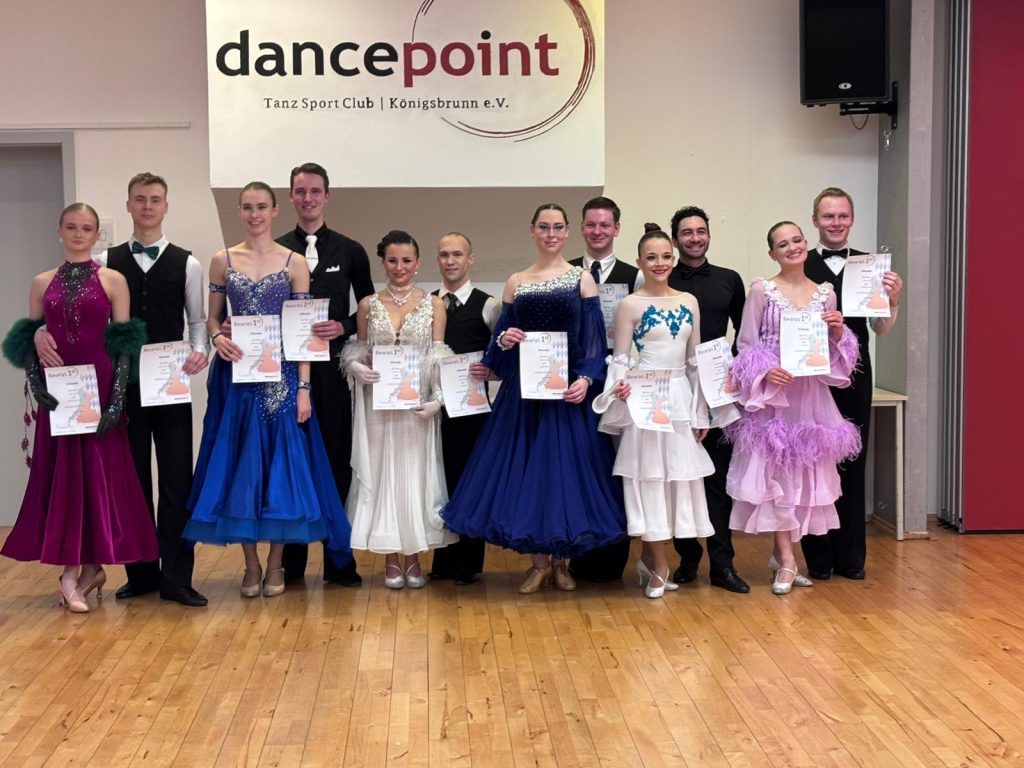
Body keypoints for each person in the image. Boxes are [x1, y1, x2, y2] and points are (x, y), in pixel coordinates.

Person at [35, 173, 210, 607]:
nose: (148, 206)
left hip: (169, 384)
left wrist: (200, 351)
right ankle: (141, 573)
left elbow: (197, 321)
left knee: (176, 479)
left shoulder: (188, 263)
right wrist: (37, 332)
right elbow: (70, 319)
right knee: (130, 480)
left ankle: (177, 578)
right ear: (128, 205)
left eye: (155, 199)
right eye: (140, 199)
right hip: (120, 386)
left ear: (166, 206)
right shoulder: (105, 263)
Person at [441, 204, 625, 594]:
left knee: (564, 478)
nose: (551, 233)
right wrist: (505, 340)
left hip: (567, 396)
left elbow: (594, 340)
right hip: (524, 398)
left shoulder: (582, 280)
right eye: (544, 227)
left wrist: (586, 379)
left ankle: (562, 563)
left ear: (567, 232)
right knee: (529, 478)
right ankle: (539, 564)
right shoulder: (516, 282)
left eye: (557, 227)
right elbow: (501, 341)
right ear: (532, 231)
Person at [183, 182, 352, 597]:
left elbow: (303, 330)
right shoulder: (223, 260)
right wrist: (216, 337)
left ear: (275, 210)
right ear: (240, 212)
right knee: (239, 463)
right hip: (237, 376)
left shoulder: (295, 263)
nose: (255, 214)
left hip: (283, 378)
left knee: (282, 467)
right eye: (247, 207)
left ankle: (276, 562)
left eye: (261, 207)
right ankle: (251, 563)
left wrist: (304, 388)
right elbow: (211, 318)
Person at [2, 203, 158, 613]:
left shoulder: (113, 280)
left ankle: (85, 572)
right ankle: (73, 573)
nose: (78, 233)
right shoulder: (41, 281)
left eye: (86, 228)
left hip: (98, 388)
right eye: (71, 227)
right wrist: (37, 384)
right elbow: (28, 339)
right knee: (66, 476)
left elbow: (124, 343)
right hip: (59, 393)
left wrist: (117, 399)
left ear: (95, 234)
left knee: (96, 477)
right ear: (59, 231)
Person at [593, 225, 738, 598]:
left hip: (679, 399)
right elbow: (620, 358)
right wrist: (619, 388)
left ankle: (648, 559)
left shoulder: (689, 301)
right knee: (650, 479)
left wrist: (701, 413)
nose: (659, 263)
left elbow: (694, 361)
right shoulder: (630, 305)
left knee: (676, 481)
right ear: (640, 262)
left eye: (665, 256)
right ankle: (659, 564)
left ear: (673, 259)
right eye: (651, 257)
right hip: (645, 399)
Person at [725, 221, 861, 594]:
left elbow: (833, 351)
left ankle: (782, 555)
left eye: (797, 240)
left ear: (805, 243)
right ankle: (787, 559)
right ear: (772, 253)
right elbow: (746, 344)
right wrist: (765, 369)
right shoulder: (762, 290)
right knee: (777, 474)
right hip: (776, 396)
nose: (792, 247)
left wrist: (838, 332)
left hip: (811, 396)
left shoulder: (826, 294)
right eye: (782, 244)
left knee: (803, 473)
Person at [276, 162, 374, 588]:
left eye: (315, 191)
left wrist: (345, 326)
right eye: (301, 191)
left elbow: (369, 308)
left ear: (327, 196)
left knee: (336, 462)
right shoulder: (277, 250)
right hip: (285, 374)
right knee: (291, 462)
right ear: (291, 197)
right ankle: (291, 564)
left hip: (333, 373)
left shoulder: (351, 250)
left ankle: (339, 562)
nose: (308, 198)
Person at [341, 230, 456, 589]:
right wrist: (354, 365)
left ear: (418, 263)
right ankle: (391, 556)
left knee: (415, 475)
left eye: (406, 260)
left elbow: (438, 355)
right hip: (378, 404)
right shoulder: (368, 304)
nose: (399, 267)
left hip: (415, 406)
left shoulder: (433, 304)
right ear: (383, 263)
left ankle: (414, 556)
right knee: (382, 475)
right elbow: (359, 349)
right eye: (392, 260)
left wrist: (439, 398)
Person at [801, 187, 903, 580]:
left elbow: (881, 328)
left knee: (853, 462)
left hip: (855, 374)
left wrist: (894, 300)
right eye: (828, 216)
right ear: (815, 220)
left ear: (852, 219)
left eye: (842, 216)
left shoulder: (868, 266)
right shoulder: (800, 264)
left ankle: (850, 557)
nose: (836, 223)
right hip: (811, 375)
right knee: (813, 461)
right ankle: (818, 557)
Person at [666, 205, 751, 594]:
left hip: (717, 391)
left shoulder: (729, 279)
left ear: (709, 236)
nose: (695, 238)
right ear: (675, 240)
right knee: (680, 476)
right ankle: (687, 557)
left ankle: (722, 564)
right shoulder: (662, 279)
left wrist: (731, 370)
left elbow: (745, 334)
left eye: (701, 231)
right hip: (675, 388)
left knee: (717, 479)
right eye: (687, 232)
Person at [567, 196, 639, 583]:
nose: (598, 231)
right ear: (582, 227)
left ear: (617, 229)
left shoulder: (635, 275)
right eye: (591, 224)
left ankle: (613, 558)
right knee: (580, 467)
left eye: (605, 225)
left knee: (616, 466)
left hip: (619, 385)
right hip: (577, 382)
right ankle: (578, 553)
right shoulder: (566, 273)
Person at [427, 232, 500, 585]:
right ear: (437, 260)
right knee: (440, 482)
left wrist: (492, 370)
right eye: (444, 255)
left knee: (469, 482)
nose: (450, 261)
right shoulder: (428, 304)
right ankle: (443, 561)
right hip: (434, 410)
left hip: (472, 410)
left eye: (457, 254)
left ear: (470, 260)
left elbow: (504, 356)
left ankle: (469, 562)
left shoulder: (490, 305)